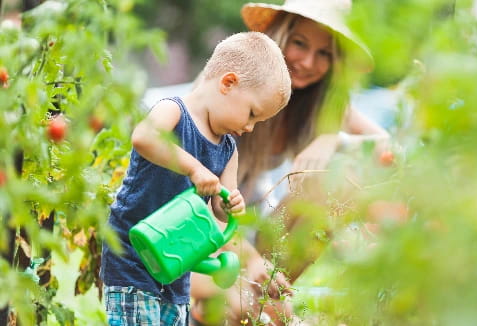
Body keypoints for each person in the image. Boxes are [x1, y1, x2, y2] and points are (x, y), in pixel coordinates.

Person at [190, 1, 390, 325]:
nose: (309, 62)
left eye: (324, 53)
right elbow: (194, 196)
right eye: (300, 44)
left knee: (334, 183)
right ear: (280, 34)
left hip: (259, 238)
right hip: (207, 228)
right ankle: (221, 303)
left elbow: (387, 147)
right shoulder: (234, 83)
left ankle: (263, 297)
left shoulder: (321, 104)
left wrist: (333, 139)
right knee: (255, 309)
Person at [100, 31, 292, 326]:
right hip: (133, 257)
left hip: (177, 264)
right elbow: (143, 137)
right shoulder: (173, 111)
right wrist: (193, 168)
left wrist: (230, 206)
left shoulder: (228, 150)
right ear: (228, 83)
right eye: (252, 114)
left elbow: (219, 209)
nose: (251, 127)